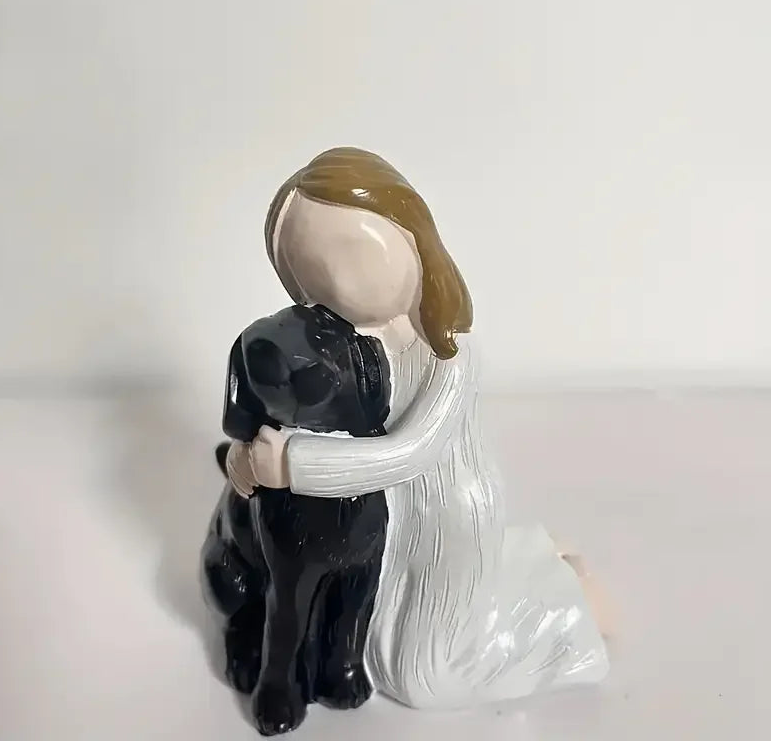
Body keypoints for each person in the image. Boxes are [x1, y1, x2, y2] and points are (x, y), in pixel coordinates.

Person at [228, 147, 609, 709]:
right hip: (373, 519)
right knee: (359, 628)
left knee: (421, 677)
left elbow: (411, 452)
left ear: (413, 238)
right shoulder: (342, 344)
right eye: (308, 273)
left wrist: (291, 464)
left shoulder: (448, 357)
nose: (333, 285)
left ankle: (565, 610)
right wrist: (243, 457)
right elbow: (288, 409)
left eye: (353, 257)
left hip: (439, 514)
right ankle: (530, 557)